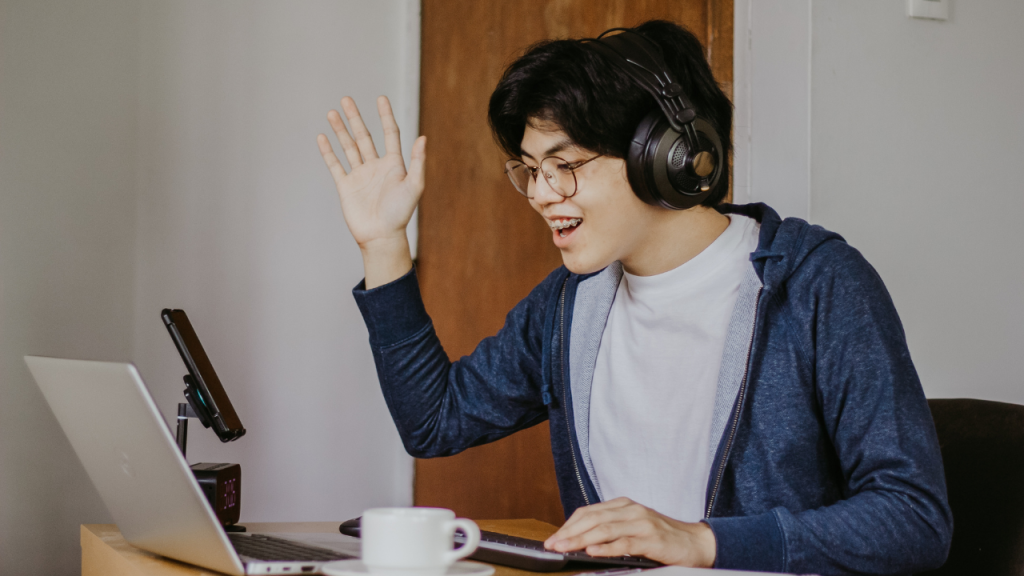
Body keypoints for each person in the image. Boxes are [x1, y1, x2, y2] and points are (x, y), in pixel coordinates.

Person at [316, 20, 952, 576]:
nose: (541, 193)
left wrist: (699, 542)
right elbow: (435, 421)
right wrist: (383, 245)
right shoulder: (570, 305)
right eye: (531, 169)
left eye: (565, 163)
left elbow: (913, 518)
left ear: (665, 158)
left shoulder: (817, 285)